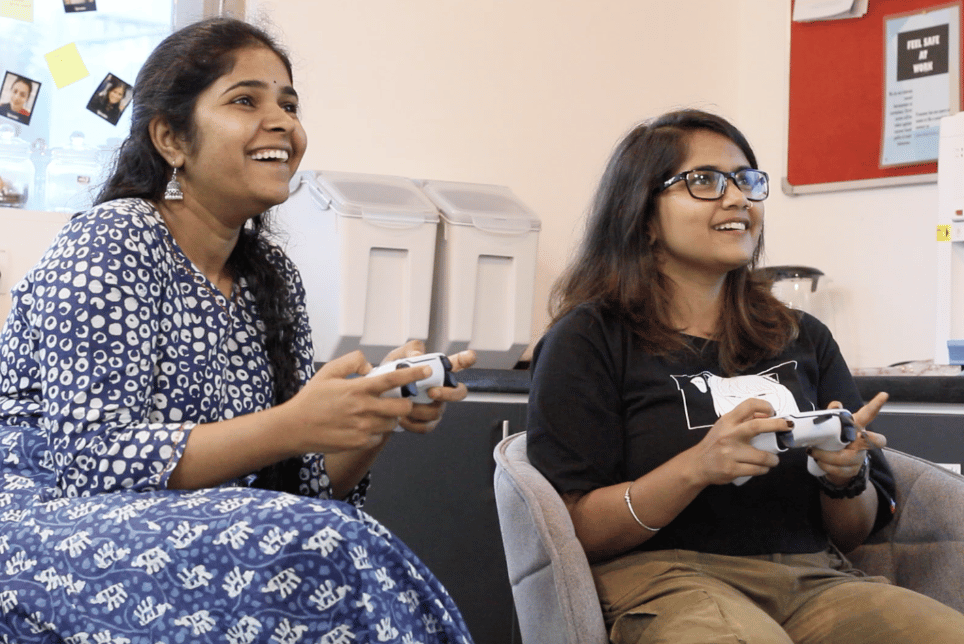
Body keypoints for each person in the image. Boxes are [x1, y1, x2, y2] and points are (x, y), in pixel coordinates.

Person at [0, 17, 477, 643]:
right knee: (325, 548)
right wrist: (293, 423)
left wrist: (370, 414)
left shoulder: (271, 277)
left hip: (190, 525)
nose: (281, 121)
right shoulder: (115, 239)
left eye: (289, 104)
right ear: (171, 137)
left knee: (323, 537)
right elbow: (91, 462)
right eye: (245, 100)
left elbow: (299, 488)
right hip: (46, 530)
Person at [526, 109, 964, 643]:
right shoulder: (589, 337)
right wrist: (696, 467)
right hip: (667, 580)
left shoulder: (804, 337)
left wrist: (844, 476)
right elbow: (572, 529)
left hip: (814, 580)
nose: (738, 199)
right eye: (703, 181)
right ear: (642, 213)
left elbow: (852, 535)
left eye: (747, 181)